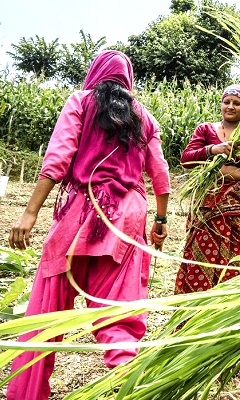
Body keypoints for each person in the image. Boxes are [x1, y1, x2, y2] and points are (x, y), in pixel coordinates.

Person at [7, 50, 170, 400]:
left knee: (45, 314)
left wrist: (30, 212)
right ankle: (130, 391)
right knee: (118, 317)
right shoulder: (145, 118)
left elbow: (58, 157)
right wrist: (160, 219)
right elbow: (160, 175)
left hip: (80, 212)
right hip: (126, 218)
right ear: (128, 80)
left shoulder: (81, 101)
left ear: (95, 73)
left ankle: (26, 394)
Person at [175, 84, 240, 294]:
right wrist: (213, 150)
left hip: (236, 212)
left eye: (237, 103)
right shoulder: (205, 130)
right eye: (227, 102)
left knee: (233, 267)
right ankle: (191, 319)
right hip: (207, 209)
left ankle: (222, 318)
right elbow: (186, 160)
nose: (230, 107)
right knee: (199, 264)